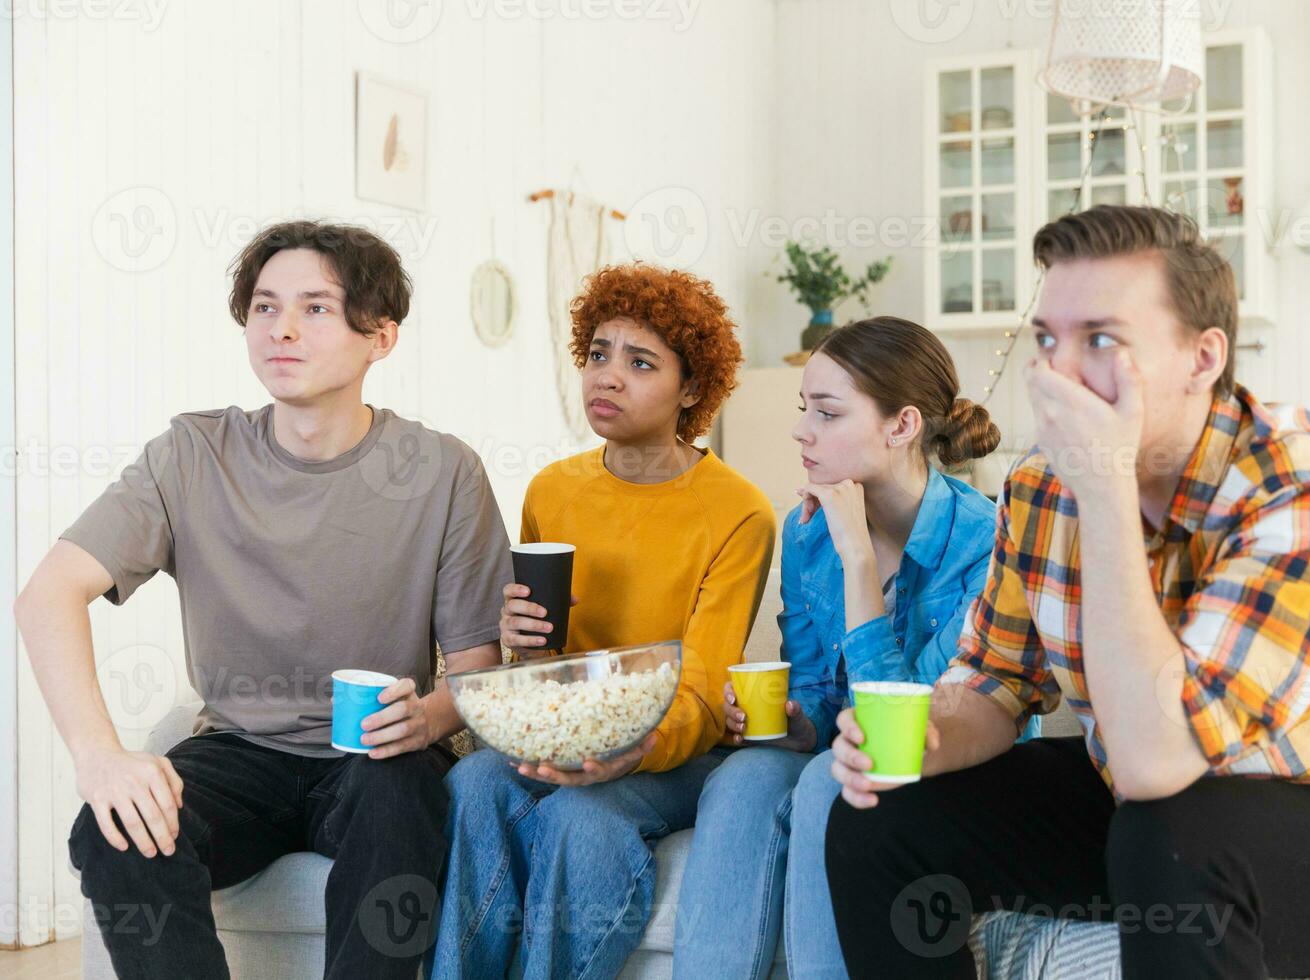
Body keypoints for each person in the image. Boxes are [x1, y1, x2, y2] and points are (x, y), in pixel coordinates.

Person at [823, 205, 1310, 979]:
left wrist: (1106, 492)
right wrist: (928, 738)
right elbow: (993, 681)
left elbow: (1161, 762)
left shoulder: (1307, 491)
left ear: (1202, 356)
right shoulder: (1040, 488)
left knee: (1170, 830)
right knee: (878, 814)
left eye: (1100, 340)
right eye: (1048, 340)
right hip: (1144, 801)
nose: (1057, 372)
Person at [15, 220, 515, 979]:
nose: (281, 329)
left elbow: (476, 673)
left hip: (375, 757)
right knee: (110, 829)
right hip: (236, 750)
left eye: (315, 307)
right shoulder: (192, 455)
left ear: (381, 336)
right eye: (263, 307)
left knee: (399, 809)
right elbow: (47, 592)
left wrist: (427, 716)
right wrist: (101, 759)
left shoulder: (444, 471)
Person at [432, 263, 776, 980]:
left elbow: (707, 691)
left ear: (690, 389)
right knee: (474, 783)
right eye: (598, 354)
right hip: (563, 727)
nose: (608, 376)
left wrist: (630, 751)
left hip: (672, 746)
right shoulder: (553, 489)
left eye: (640, 362)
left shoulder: (738, 511)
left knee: (580, 818)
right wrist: (517, 641)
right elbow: (539, 668)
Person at [673, 316, 1042, 980]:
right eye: (802, 408)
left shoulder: (985, 545)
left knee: (826, 785)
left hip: (950, 762)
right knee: (744, 777)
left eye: (827, 412)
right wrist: (795, 720)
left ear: (901, 426)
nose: (800, 430)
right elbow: (819, 689)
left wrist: (858, 563)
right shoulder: (807, 532)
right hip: (846, 748)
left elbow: (901, 727)